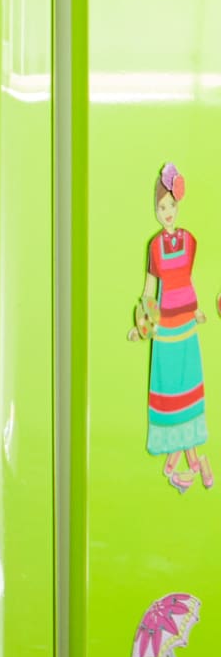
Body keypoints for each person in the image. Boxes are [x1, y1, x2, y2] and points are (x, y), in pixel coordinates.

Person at [137, 163, 212, 493]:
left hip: (187, 327)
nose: (167, 212)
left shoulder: (191, 242)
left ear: (178, 206)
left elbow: (188, 281)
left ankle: (189, 462)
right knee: (171, 390)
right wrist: (143, 323)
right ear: (156, 210)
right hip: (166, 330)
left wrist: (196, 312)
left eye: (171, 206)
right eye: (162, 207)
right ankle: (188, 461)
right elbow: (148, 291)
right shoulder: (154, 247)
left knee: (188, 385)